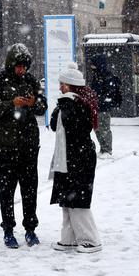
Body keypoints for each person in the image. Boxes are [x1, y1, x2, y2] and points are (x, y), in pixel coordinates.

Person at [0, 43, 47, 249]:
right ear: (11, 64)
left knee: (30, 189)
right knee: (7, 189)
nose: (22, 70)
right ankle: (8, 230)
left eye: (24, 66)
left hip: (28, 144)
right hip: (5, 145)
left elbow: (43, 106)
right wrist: (12, 103)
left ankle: (30, 228)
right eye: (18, 66)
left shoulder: (31, 80)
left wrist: (33, 104)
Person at [49, 64, 101, 253]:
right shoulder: (69, 103)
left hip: (78, 158)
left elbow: (74, 127)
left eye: (62, 84)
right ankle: (69, 239)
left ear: (71, 85)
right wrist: (62, 105)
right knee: (67, 201)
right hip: (69, 157)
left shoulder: (78, 104)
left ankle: (90, 240)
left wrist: (64, 105)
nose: (60, 87)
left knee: (78, 201)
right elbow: (54, 125)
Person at [89, 56, 121, 156]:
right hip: (96, 107)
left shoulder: (106, 77)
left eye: (93, 64)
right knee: (97, 128)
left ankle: (107, 149)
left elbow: (109, 93)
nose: (91, 66)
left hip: (103, 107)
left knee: (104, 128)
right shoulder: (97, 76)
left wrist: (99, 100)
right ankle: (103, 148)